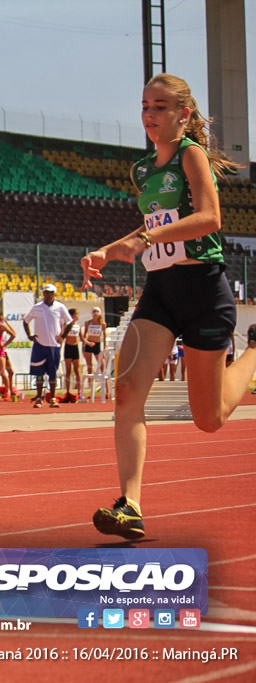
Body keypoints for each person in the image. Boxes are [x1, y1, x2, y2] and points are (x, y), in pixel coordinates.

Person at [81, 73, 256, 539]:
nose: (149, 115)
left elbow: (209, 218)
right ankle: (130, 504)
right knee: (126, 391)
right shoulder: (142, 171)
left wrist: (147, 237)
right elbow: (150, 228)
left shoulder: (190, 155)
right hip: (160, 292)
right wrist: (106, 249)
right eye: (144, 106)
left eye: (160, 107)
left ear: (183, 114)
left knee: (209, 419)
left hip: (203, 289)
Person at [23, 284, 71, 408]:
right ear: (43, 294)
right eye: (46, 292)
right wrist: (30, 335)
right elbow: (26, 321)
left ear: (54, 293)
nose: (48, 295)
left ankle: (53, 398)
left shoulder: (60, 307)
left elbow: (69, 321)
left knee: (52, 373)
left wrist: (63, 336)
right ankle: (39, 398)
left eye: (50, 292)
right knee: (39, 373)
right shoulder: (37, 307)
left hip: (53, 346)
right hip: (40, 345)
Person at [60, 308, 82, 402]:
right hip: (68, 347)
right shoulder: (66, 325)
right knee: (68, 371)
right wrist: (59, 348)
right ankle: (68, 391)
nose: (78, 316)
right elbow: (62, 337)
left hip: (75, 347)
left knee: (77, 370)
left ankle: (79, 392)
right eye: (76, 314)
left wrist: (88, 343)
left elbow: (82, 338)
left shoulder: (78, 325)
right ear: (72, 315)